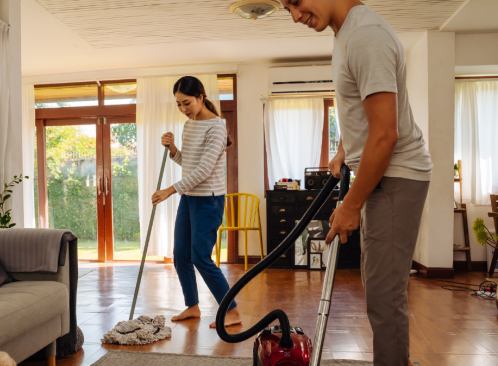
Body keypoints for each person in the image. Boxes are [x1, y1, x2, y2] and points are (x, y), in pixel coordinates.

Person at [279, 1, 433, 366]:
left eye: (296, 3)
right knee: (377, 285)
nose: (296, 16)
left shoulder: (365, 36)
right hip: (381, 173)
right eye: (287, 9)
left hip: (395, 175)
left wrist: (349, 205)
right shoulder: (348, 33)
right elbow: (364, 111)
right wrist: (343, 150)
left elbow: (385, 135)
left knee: (384, 294)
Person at [151, 76, 242, 329]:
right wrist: (172, 150)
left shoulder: (217, 127)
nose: (183, 109)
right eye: (179, 104)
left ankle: (231, 311)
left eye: (187, 102)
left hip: (208, 201)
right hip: (190, 198)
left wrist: (170, 190)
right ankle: (192, 306)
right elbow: (188, 163)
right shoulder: (189, 125)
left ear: (201, 97)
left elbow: (204, 170)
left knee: (201, 257)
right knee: (181, 255)